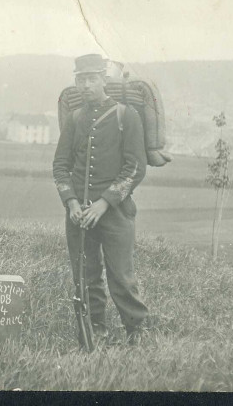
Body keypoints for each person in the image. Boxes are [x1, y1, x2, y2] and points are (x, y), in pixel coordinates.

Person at [52, 53, 149, 344]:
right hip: (79, 213)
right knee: (85, 274)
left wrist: (104, 202)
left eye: (92, 78)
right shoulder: (75, 118)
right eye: (80, 79)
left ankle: (136, 332)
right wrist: (71, 203)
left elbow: (135, 168)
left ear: (104, 80)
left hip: (116, 212)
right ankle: (94, 329)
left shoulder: (126, 115)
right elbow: (60, 166)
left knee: (121, 275)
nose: (85, 85)